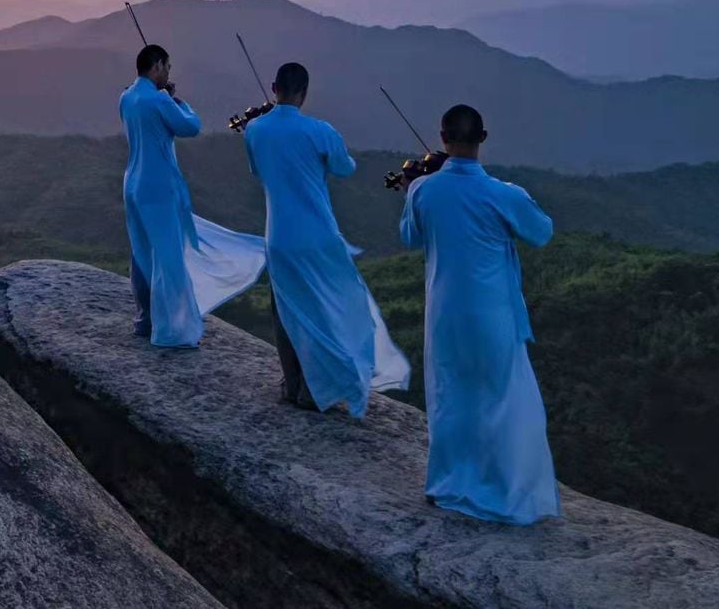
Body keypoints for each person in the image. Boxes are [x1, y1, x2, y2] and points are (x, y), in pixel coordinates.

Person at [400, 104, 560, 524]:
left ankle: (447, 483)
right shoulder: (503, 194)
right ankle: (505, 490)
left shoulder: (423, 190)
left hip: (444, 311)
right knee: (505, 399)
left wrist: (413, 188)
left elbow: (410, 236)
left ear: (442, 136)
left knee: (448, 396)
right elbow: (542, 231)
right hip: (493, 314)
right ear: (483, 138)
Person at [242, 62, 409, 413]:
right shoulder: (319, 130)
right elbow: (344, 167)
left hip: (279, 237)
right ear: (304, 92)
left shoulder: (255, 130)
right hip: (317, 234)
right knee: (329, 307)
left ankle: (293, 384)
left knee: (285, 312)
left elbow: (257, 171)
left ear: (274, 87)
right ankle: (318, 389)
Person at [119, 43, 265, 347]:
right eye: (168, 67)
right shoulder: (159, 100)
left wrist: (166, 100)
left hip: (132, 182)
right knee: (168, 255)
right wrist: (178, 101)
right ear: (157, 66)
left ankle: (144, 320)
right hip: (158, 185)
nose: (169, 72)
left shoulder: (127, 97)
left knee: (141, 252)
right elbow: (190, 126)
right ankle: (172, 328)